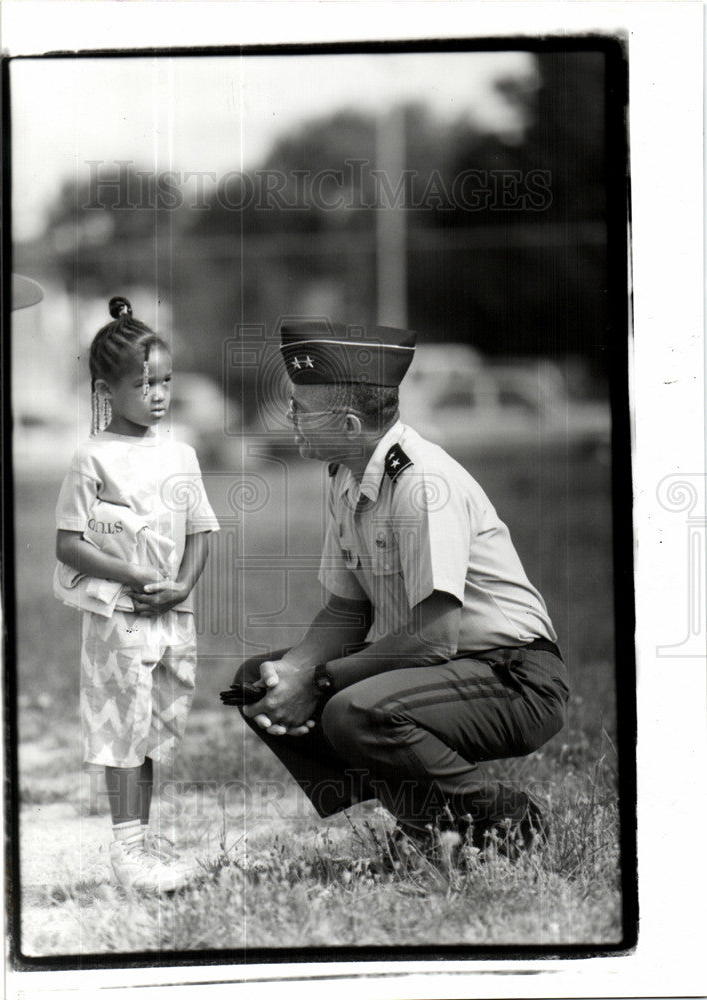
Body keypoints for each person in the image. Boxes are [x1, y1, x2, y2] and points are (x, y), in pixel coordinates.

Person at [231, 319, 568, 862]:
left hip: (514, 676)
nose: (288, 418)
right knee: (257, 682)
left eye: (299, 408)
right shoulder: (347, 475)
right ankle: (427, 826)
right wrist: (292, 670)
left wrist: (317, 681)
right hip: (448, 668)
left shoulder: (421, 484)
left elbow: (433, 637)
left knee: (354, 710)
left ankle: (504, 821)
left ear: (347, 421)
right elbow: (346, 609)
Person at [54, 296, 219, 892]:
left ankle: (140, 844)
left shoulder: (182, 454)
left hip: (171, 614)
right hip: (119, 615)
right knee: (122, 725)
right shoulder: (91, 457)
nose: (157, 393)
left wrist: (180, 589)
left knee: (154, 727)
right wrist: (134, 579)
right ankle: (129, 852)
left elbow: (202, 532)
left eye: (165, 381)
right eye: (142, 382)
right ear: (107, 389)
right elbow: (69, 544)